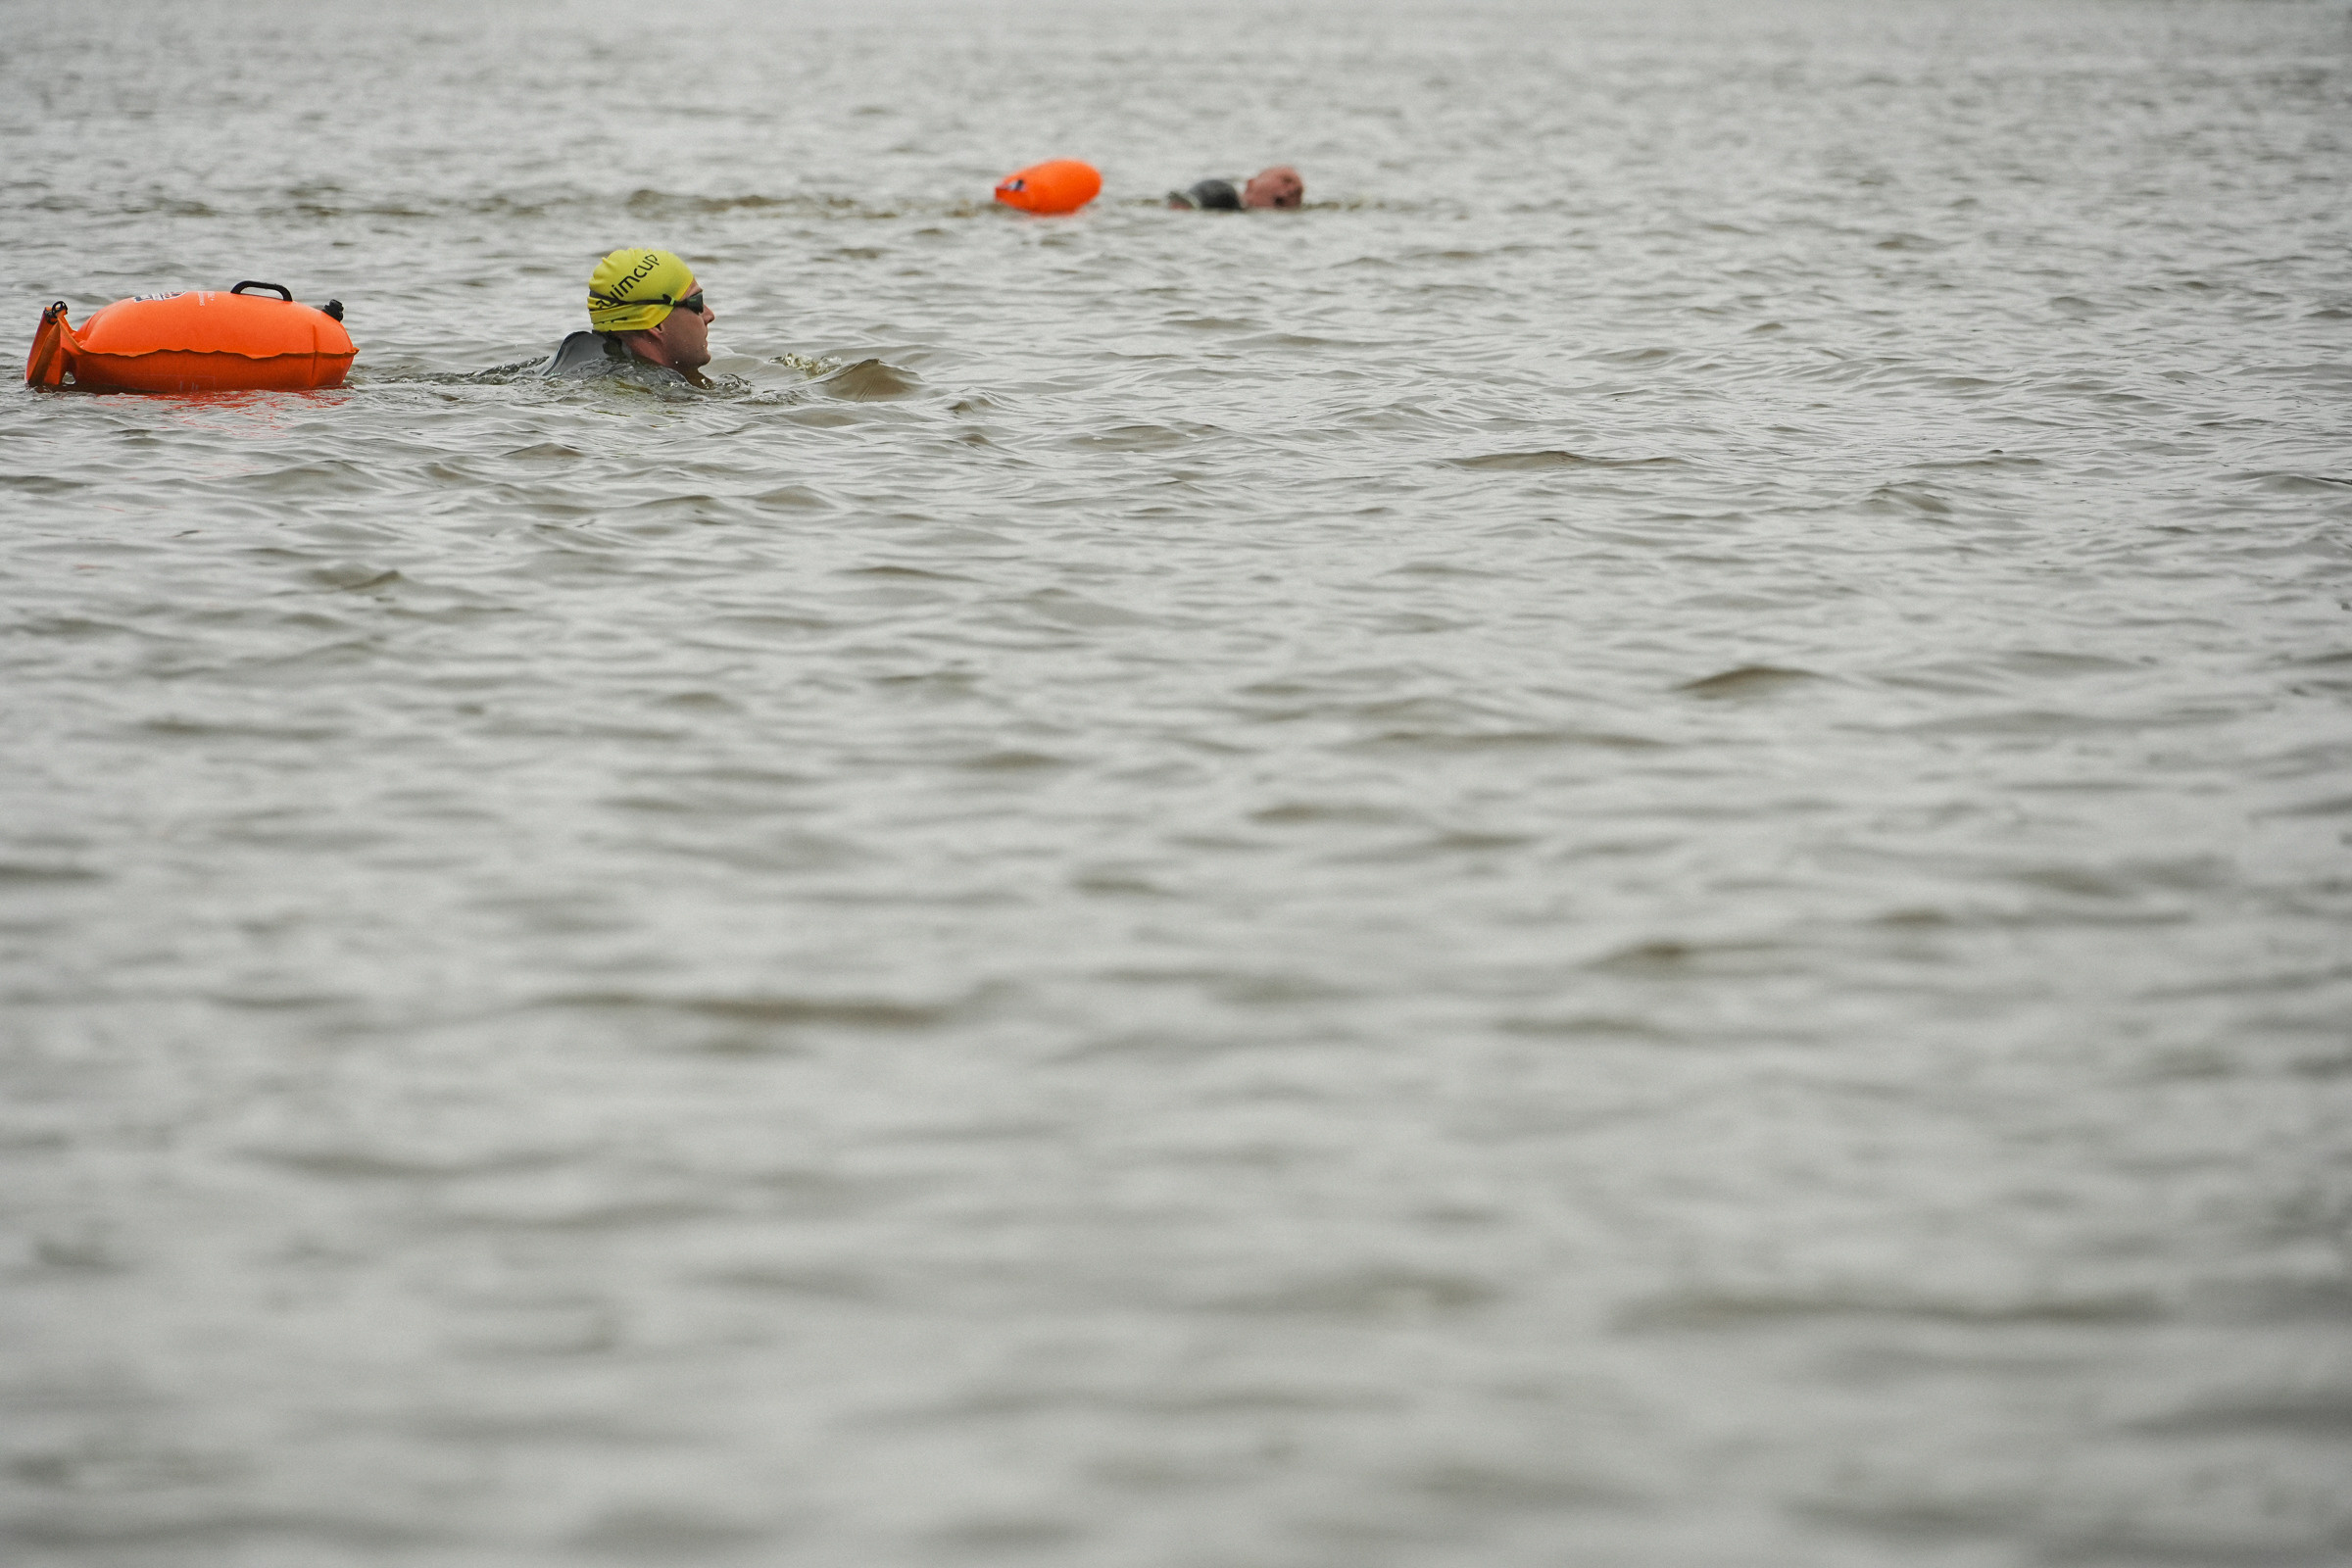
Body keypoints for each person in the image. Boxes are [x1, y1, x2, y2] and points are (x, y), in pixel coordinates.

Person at [543, 247, 717, 384]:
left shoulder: (558, 368)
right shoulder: (644, 386)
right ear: (655, 322)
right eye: (696, 302)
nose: (709, 315)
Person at [1167, 166, 1305, 211]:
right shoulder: (1224, 192)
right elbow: (1185, 204)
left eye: (1298, 192)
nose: (1292, 190)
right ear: (1251, 184)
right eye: (1286, 181)